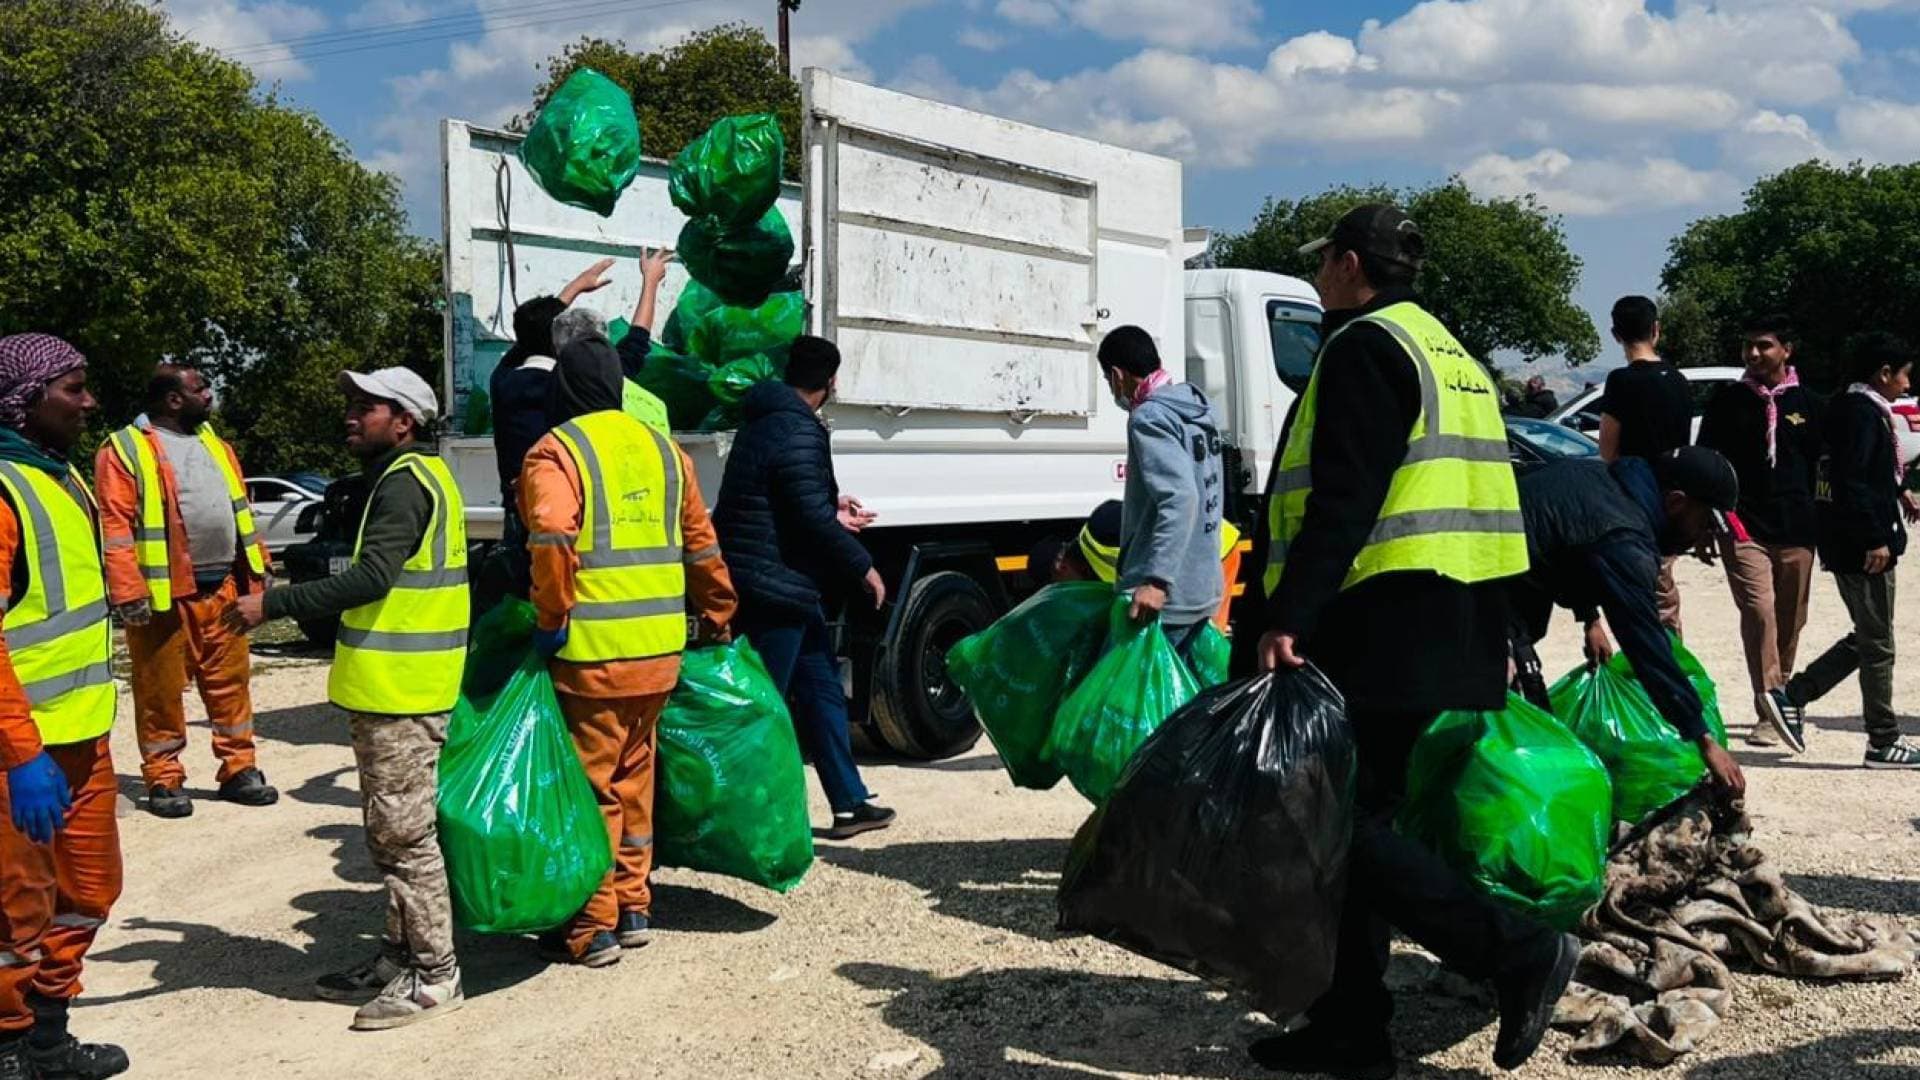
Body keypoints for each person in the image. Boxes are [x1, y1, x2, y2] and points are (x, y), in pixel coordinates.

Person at [1248, 205, 1573, 1078]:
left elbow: (1343, 499)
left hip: (1381, 618)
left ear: (1351, 265)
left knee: (1338, 825)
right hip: (1450, 616)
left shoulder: (1361, 346)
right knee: (1356, 820)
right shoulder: (1449, 350)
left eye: (1324, 265)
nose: (1318, 280)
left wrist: (1289, 615)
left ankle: (1517, 952)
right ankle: (1353, 1030)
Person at [225, 367, 468, 1031]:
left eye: (368, 406)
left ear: (405, 420)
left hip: (403, 692)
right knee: (392, 834)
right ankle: (396, 957)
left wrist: (272, 603)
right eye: (352, 405)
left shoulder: (403, 485)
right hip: (399, 686)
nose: (351, 416)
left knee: (403, 837)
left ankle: (434, 975)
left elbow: (372, 577)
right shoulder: (410, 477)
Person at [519, 337, 737, 966]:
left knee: (591, 788)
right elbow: (702, 545)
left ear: (563, 389)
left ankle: (592, 926)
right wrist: (718, 612)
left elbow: (554, 533)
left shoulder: (557, 450)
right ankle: (634, 903)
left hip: (594, 656)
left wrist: (551, 615)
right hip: (659, 654)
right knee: (634, 779)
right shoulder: (664, 452)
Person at [0, 335, 128, 1080]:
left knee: (89, 890)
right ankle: (10, 1043)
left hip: (82, 738)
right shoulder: (5, 491)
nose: (88, 402)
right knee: (15, 910)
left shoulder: (63, 478)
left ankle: (47, 1035)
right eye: (73, 388)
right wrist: (20, 756)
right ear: (26, 398)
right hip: (22, 752)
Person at [713, 337, 895, 840]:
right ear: (830, 382)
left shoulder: (765, 419)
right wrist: (863, 566)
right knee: (763, 704)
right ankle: (742, 817)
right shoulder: (796, 428)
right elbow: (809, 516)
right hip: (775, 584)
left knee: (820, 691)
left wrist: (833, 507)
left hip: (780, 579)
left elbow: (788, 499)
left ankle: (850, 803)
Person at [1507, 448, 1747, 799]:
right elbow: (1646, 644)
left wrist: (1589, 618)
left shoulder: (1610, 481)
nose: (1701, 537)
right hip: (1479, 599)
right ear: (1678, 502)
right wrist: (1702, 738)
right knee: (1500, 723)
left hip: (1498, 586)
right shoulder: (1625, 536)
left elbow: (1571, 540)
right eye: (1705, 522)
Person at [95, 365, 277, 819]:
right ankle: (164, 775)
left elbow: (242, 514)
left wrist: (261, 567)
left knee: (231, 684)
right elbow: (115, 526)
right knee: (159, 691)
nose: (209, 395)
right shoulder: (125, 449)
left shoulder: (216, 444)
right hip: (163, 598)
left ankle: (239, 768)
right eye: (200, 389)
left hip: (224, 589)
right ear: (174, 400)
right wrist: (127, 589)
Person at [1782, 333, 1920, 766]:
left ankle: (1796, 694)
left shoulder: (1848, 407)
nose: (1907, 385)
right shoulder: (1862, 414)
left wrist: (1899, 491)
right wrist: (1875, 537)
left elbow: (1860, 470)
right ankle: (1882, 740)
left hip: (1847, 540)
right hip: (1863, 546)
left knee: (1868, 634)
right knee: (1879, 644)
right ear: (1883, 373)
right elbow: (1852, 481)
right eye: (1904, 376)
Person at [1697, 314, 1820, 749]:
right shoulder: (1727, 401)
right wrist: (1705, 522)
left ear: (1786, 350)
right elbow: (1707, 464)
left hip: (1798, 528)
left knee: (1791, 618)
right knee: (1760, 611)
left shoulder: (1809, 402)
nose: (1753, 353)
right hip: (1742, 525)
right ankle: (1768, 707)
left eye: (1764, 345)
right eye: (1748, 345)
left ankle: (1781, 696)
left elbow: (1825, 468)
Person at [1094, 327, 1226, 652]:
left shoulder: (1149, 418)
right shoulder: (1196, 411)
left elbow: (1181, 497)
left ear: (1117, 375)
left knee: (1134, 701)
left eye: (1109, 381)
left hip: (1164, 601)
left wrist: (1156, 581)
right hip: (1201, 587)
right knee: (1183, 697)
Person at [1598, 295, 1694, 632]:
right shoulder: (1679, 381)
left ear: (1615, 335)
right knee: (1662, 582)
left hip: (1633, 497)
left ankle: (1662, 661)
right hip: (1672, 496)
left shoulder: (1621, 381)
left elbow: (1608, 446)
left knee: (1645, 587)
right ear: (1656, 329)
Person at [1070, 499, 1241, 631]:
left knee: (1205, 635)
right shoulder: (1097, 532)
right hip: (1192, 541)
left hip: (1216, 550)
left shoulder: (1105, 551)